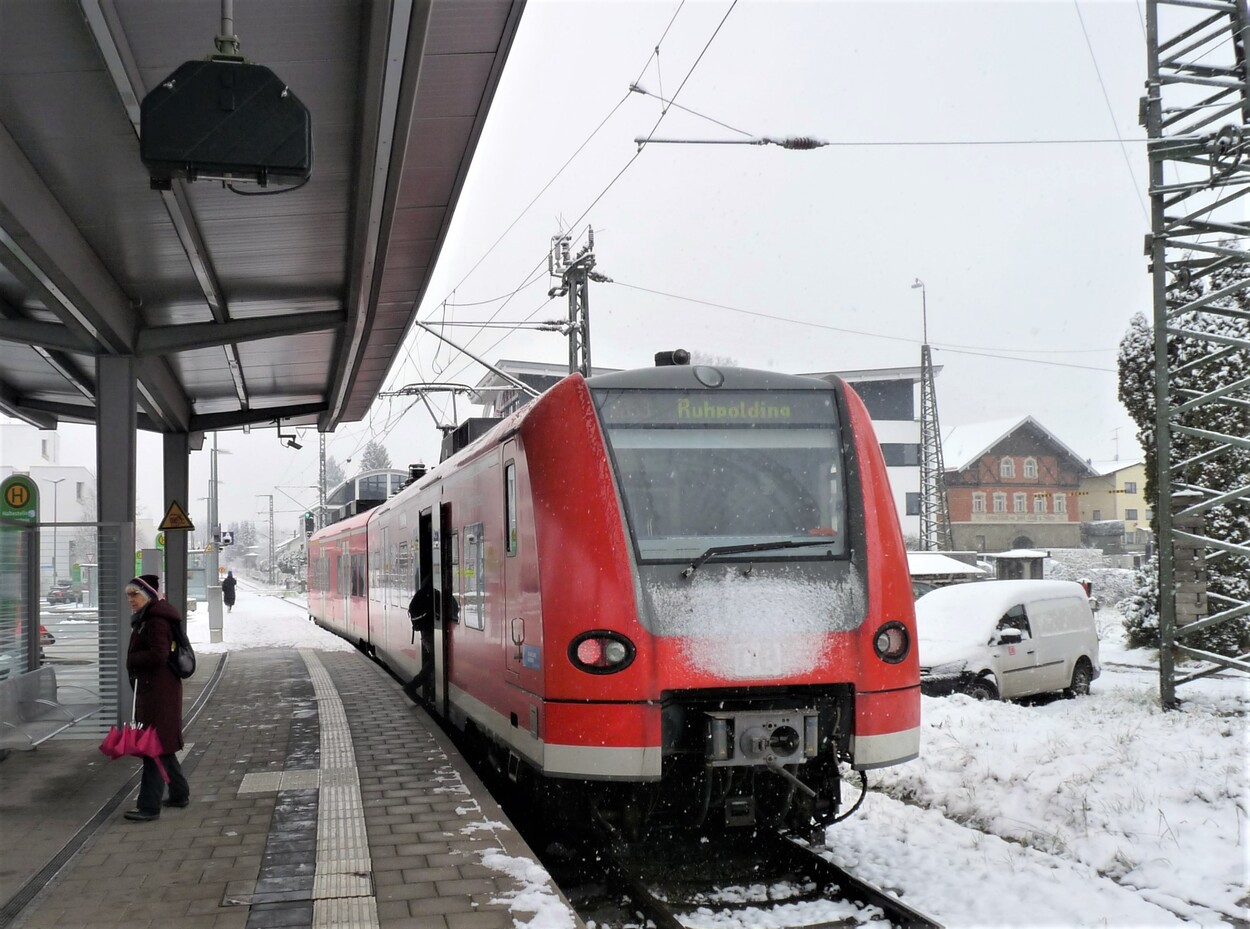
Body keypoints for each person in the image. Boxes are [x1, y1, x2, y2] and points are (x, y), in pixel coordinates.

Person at [122, 574, 190, 822]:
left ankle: (149, 807)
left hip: (158, 693)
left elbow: (159, 656)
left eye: (135, 594)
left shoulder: (156, 621)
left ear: (148, 595)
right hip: (156, 691)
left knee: (153, 748)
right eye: (128, 595)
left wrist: (132, 660)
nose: (130, 599)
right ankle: (179, 794)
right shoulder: (149, 618)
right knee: (163, 747)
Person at [403, 575, 458, 704]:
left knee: (433, 661)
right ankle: (413, 685)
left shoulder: (425, 590)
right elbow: (452, 610)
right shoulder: (438, 593)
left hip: (425, 633)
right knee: (436, 661)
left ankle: (431, 691)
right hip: (432, 633)